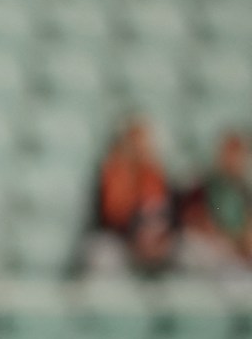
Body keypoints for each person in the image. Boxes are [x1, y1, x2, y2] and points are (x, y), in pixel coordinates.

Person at [73, 115, 177, 277]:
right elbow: (108, 218)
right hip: (121, 242)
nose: (139, 148)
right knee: (102, 253)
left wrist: (157, 239)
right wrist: (135, 237)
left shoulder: (157, 175)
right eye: (134, 142)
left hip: (153, 244)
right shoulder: (110, 174)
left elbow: (167, 215)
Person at [179, 130, 252, 273]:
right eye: (228, 154)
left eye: (237, 155)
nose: (232, 160)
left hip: (237, 248)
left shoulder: (244, 188)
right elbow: (191, 215)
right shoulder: (204, 184)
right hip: (212, 246)